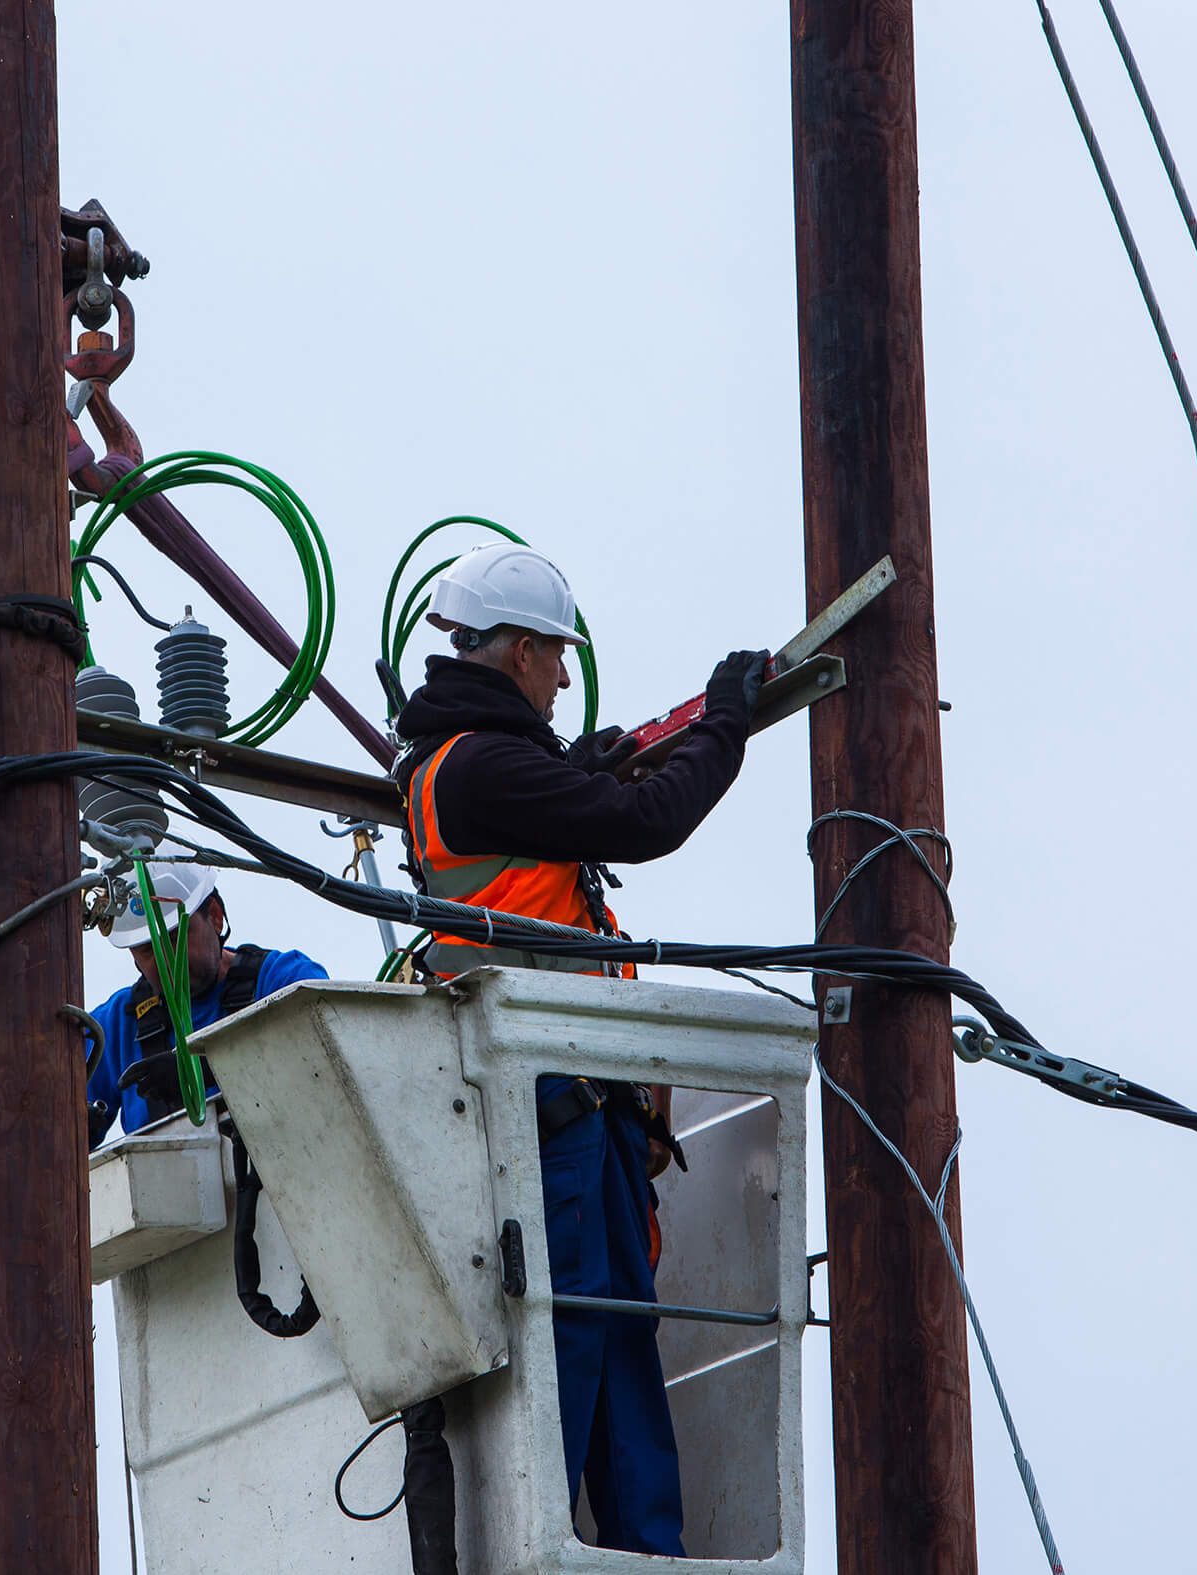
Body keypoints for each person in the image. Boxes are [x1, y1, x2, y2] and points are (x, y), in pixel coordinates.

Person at [389, 542, 767, 1556]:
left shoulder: (463, 765)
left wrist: (577, 772)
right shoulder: (480, 766)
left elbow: (546, 830)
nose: (563, 676)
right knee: (573, 1339)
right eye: (555, 654)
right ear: (518, 652)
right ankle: (546, 1553)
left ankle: (646, 1556)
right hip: (551, 1109)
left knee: (617, 1336)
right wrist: (723, 727)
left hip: (578, 1106)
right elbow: (646, 821)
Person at [83, 866, 330, 1143]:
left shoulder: (282, 980)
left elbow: (327, 1058)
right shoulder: (116, 1024)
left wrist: (209, 1068)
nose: (166, 961)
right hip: (171, 1171)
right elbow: (56, 1114)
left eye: (174, 937)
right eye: (147, 949)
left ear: (214, 916)